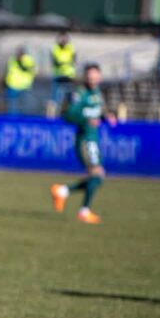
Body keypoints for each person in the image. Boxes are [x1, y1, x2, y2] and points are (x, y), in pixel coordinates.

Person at [50, 63, 117, 224]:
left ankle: (63, 191)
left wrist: (105, 117)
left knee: (98, 176)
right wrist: (86, 120)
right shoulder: (80, 94)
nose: (92, 79)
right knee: (97, 174)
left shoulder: (97, 94)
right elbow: (67, 115)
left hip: (93, 139)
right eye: (89, 76)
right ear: (85, 77)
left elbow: (97, 113)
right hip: (85, 140)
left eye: (94, 76)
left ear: (99, 77)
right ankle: (82, 210)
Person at [4, 47, 36, 114]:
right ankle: (12, 122)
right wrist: (5, 82)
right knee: (13, 108)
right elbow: (8, 72)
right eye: (17, 53)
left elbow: (26, 69)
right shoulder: (12, 59)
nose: (18, 54)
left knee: (24, 108)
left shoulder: (28, 60)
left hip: (24, 87)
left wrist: (19, 62)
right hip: (12, 87)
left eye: (20, 53)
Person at [50, 31, 76, 102]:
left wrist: (65, 63)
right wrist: (65, 63)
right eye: (61, 38)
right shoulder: (55, 48)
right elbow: (55, 62)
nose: (63, 40)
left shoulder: (71, 48)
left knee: (70, 96)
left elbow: (73, 61)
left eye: (65, 38)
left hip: (69, 76)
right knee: (55, 97)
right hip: (58, 75)